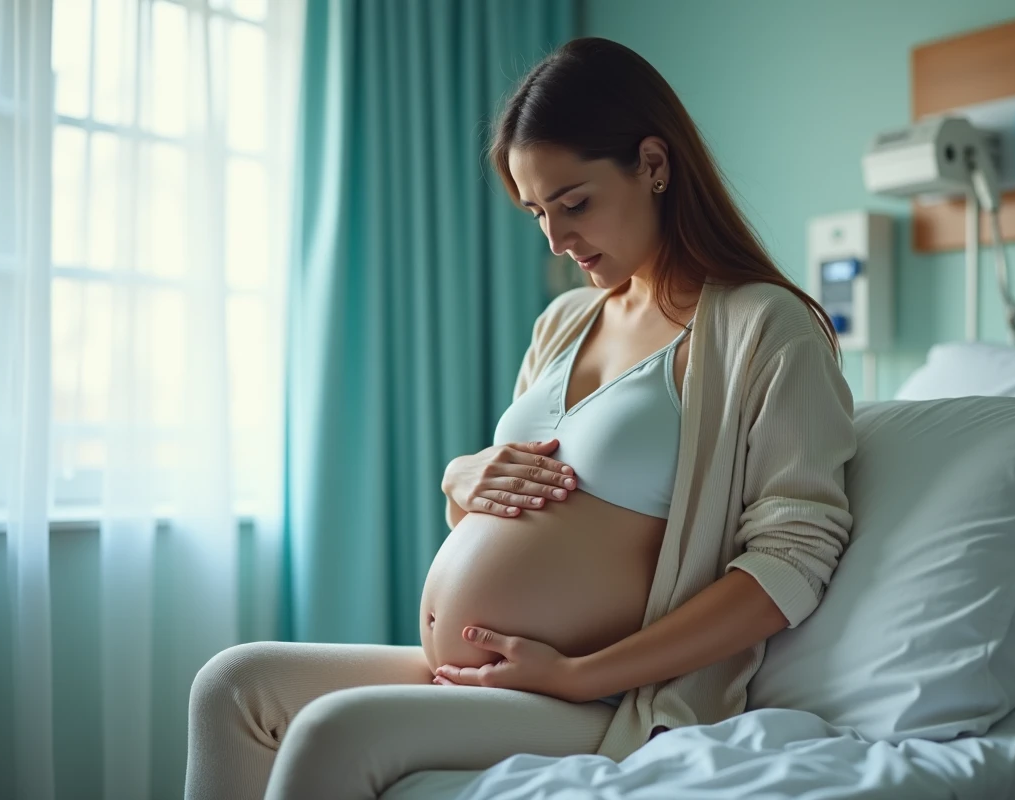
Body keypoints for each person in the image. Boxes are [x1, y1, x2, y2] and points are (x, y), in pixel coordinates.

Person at [184, 36, 855, 799]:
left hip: (602, 696)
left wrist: (578, 674)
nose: (556, 240)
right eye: (538, 212)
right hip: (487, 670)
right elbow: (520, 510)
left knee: (332, 730)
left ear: (653, 164)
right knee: (232, 685)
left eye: (574, 204)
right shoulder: (563, 322)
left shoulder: (764, 327)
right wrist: (461, 479)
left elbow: (793, 559)